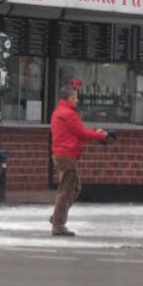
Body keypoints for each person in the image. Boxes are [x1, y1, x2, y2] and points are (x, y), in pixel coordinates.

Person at [50, 85, 108, 236]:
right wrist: (102, 135)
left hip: (60, 154)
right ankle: (58, 225)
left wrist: (95, 133)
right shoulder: (69, 114)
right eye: (75, 97)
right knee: (67, 190)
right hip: (67, 155)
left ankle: (57, 216)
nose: (77, 100)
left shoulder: (58, 112)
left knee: (74, 188)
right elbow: (83, 133)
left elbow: (78, 132)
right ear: (69, 98)